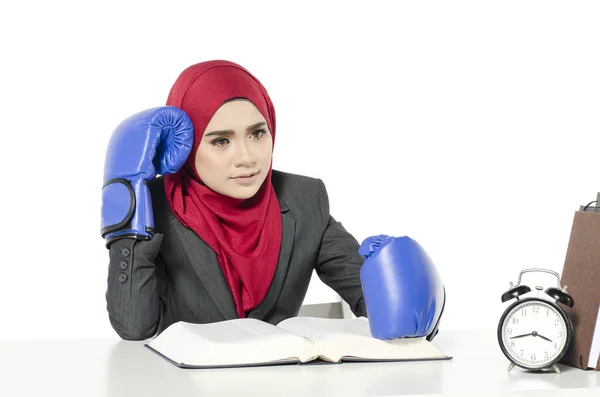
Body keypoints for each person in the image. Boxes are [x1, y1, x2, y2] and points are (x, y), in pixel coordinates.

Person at [101, 60, 445, 341]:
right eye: (221, 141)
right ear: (186, 146)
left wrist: (399, 284)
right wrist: (127, 209)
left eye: (257, 133)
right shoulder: (156, 207)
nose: (247, 157)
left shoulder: (305, 199)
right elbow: (134, 328)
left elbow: (368, 297)